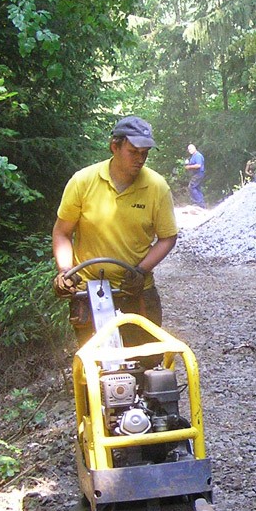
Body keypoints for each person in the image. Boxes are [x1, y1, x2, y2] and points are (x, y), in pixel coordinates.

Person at [51, 116, 179, 351]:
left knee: (148, 363)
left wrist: (141, 270)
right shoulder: (84, 181)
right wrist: (65, 271)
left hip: (137, 290)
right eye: (134, 152)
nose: (140, 159)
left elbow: (167, 237)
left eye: (145, 153)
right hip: (90, 291)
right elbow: (62, 232)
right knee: (97, 368)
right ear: (115, 147)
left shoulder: (157, 187)